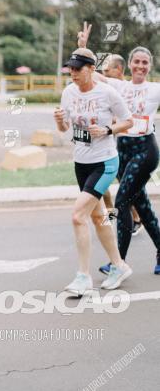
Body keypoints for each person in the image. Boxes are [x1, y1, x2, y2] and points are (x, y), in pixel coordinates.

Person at [78, 27, 160, 276]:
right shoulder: (117, 86)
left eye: (145, 62)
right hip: (122, 150)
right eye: (137, 61)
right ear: (130, 64)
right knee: (142, 205)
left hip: (145, 150)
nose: (141, 66)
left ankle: (118, 263)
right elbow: (88, 72)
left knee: (122, 201)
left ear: (150, 66)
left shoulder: (155, 89)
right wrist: (83, 46)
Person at [54, 48, 133, 295]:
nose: (73, 73)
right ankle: (119, 266)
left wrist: (109, 130)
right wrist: (59, 120)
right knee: (99, 218)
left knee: (78, 216)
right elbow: (65, 127)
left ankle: (83, 276)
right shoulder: (68, 92)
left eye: (78, 69)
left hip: (105, 163)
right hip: (81, 163)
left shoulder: (107, 92)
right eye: (71, 69)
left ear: (90, 69)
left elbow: (128, 121)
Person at [100, 53, 142, 235]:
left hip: (127, 149)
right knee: (102, 185)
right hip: (107, 148)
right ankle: (110, 218)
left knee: (126, 188)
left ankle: (137, 218)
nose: (105, 72)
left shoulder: (127, 90)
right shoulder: (105, 90)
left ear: (119, 70)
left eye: (108, 69)